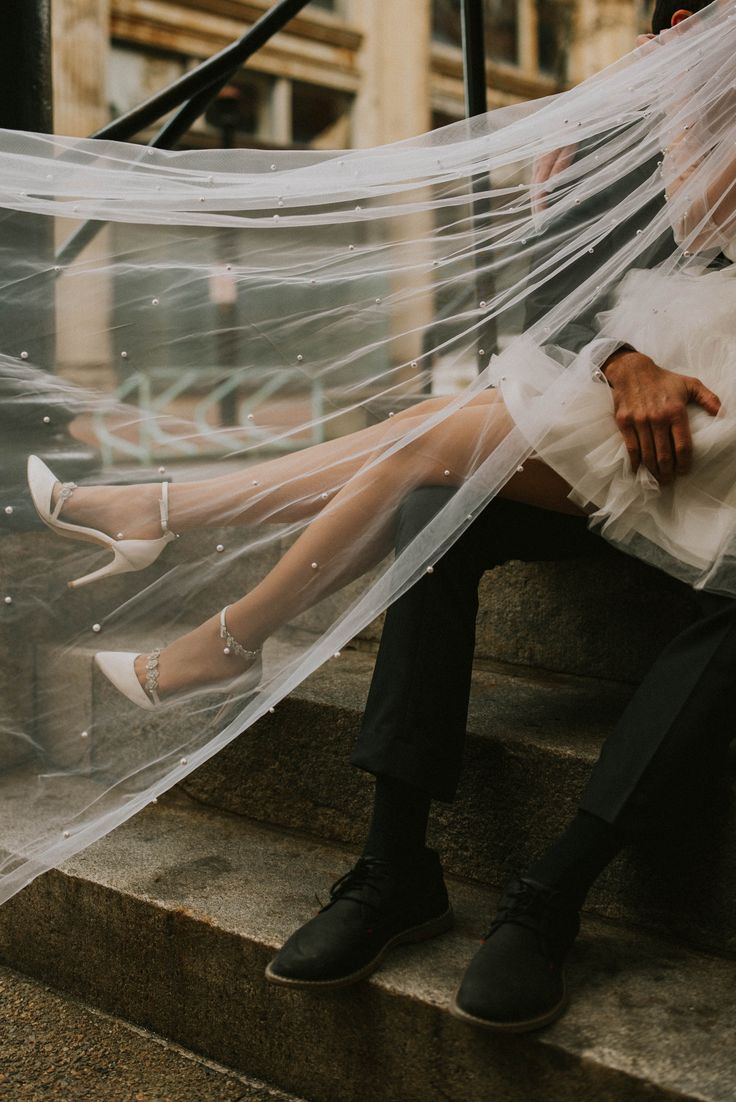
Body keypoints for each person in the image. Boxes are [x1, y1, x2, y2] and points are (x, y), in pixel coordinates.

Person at [17, 1, 734, 1029]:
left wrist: (684, 98)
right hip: (637, 398)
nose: (684, 24)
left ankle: (551, 893)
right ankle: (393, 864)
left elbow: (707, 214)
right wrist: (622, 356)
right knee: (433, 492)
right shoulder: (653, 73)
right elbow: (551, 278)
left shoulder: (696, 77)